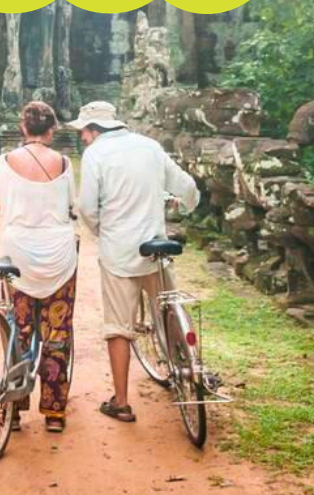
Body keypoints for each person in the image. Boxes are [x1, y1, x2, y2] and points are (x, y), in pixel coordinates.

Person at [67, 101, 198, 424]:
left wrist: (102, 232)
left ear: (94, 130)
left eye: (83, 131)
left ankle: (122, 402)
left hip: (119, 253)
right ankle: (190, 368)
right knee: (169, 308)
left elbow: (87, 208)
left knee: (118, 329)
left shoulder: (96, 154)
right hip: (157, 248)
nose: (82, 137)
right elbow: (188, 188)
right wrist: (185, 208)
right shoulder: (150, 147)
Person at [0, 101, 78, 434]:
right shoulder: (65, 163)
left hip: (18, 255)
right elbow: (70, 205)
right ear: (52, 130)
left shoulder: (5, 161)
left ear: (23, 128)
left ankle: (13, 409)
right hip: (59, 258)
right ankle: (54, 413)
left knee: (19, 330)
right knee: (56, 333)